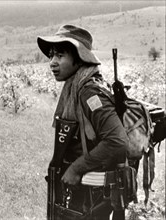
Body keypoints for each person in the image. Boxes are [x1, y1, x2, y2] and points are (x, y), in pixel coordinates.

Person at [37, 25, 129, 220]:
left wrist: (76, 168)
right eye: (51, 56)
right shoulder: (77, 86)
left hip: (93, 190)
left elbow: (116, 140)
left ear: (79, 59)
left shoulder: (89, 92)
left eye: (60, 56)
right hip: (86, 188)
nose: (52, 63)